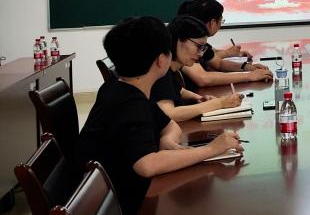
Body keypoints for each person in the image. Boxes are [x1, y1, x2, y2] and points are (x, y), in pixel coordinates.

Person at [78, 17, 243, 214]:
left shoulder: (121, 88)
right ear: (161, 60)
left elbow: (169, 124)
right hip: (116, 204)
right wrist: (211, 149)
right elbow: (147, 165)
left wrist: (168, 141)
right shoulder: (130, 104)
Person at [151, 15, 243, 122]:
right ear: (179, 40)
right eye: (199, 46)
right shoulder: (161, 70)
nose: (201, 54)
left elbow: (178, 90)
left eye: (203, 48)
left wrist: (198, 98)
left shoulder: (173, 70)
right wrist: (219, 103)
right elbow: (169, 114)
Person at [177, 0, 272, 89]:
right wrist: (249, 76)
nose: (200, 52)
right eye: (221, 21)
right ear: (212, 23)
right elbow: (203, 78)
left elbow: (219, 63)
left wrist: (248, 68)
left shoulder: (198, 43)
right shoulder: (185, 43)